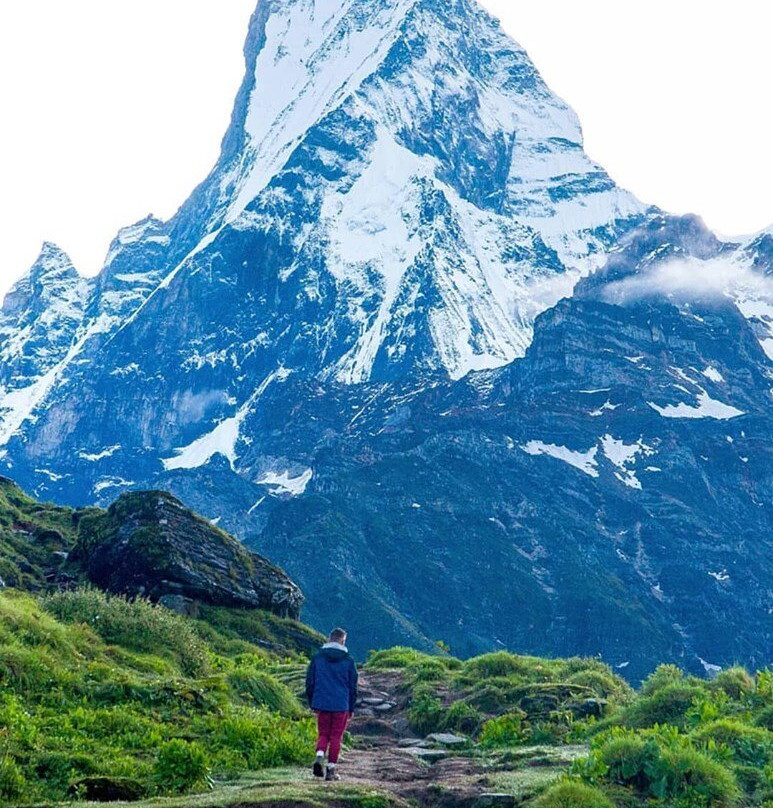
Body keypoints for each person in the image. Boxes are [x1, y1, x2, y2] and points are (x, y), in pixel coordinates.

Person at [305, 627, 358, 781]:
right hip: (341, 704)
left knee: (323, 734)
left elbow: (310, 682)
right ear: (343, 640)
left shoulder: (317, 657)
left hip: (322, 703)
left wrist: (312, 702)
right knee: (336, 737)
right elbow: (352, 686)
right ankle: (331, 770)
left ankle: (319, 755)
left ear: (329, 639)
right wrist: (351, 706)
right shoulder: (348, 660)